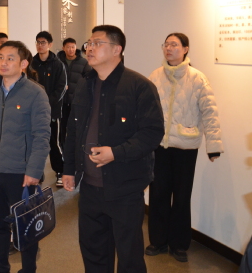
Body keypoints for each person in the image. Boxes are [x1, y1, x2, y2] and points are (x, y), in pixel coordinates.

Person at [63, 25, 164, 273]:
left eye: (97, 43)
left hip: (125, 186)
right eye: (89, 43)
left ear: (117, 49)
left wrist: (116, 152)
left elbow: (152, 133)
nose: (90, 48)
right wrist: (69, 169)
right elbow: (74, 130)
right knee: (93, 251)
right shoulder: (85, 84)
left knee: (129, 255)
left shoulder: (139, 86)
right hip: (89, 187)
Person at [0, 40, 51, 273]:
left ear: (23, 64)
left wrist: (34, 171)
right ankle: (0, 267)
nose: (3, 62)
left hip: (21, 172)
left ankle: (28, 269)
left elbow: (42, 136)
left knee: (25, 225)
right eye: (1, 57)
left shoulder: (36, 93)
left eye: (10, 58)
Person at [145, 33, 223, 263]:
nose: (168, 48)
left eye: (174, 45)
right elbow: (145, 109)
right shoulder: (155, 76)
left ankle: (179, 244)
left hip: (186, 148)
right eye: (166, 44)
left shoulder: (198, 78)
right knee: (158, 194)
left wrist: (213, 145)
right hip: (160, 146)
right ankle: (158, 241)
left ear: (186, 49)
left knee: (181, 196)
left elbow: (210, 112)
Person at [31, 31, 67, 186]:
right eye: (38, 42)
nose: (40, 45)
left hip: (53, 111)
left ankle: (60, 172)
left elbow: (62, 88)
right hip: (34, 111)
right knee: (35, 143)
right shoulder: (32, 63)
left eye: (43, 42)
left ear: (50, 44)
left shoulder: (58, 64)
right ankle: (37, 173)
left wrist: (46, 103)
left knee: (55, 143)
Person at [57, 37, 91, 186]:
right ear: (63, 48)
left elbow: (88, 80)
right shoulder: (59, 62)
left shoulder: (83, 62)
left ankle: (76, 162)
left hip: (77, 103)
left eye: (73, 47)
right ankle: (65, 161)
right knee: (62, 133)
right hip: (62, 103)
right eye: (68, 47)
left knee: (76, 132)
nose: (70, 49)